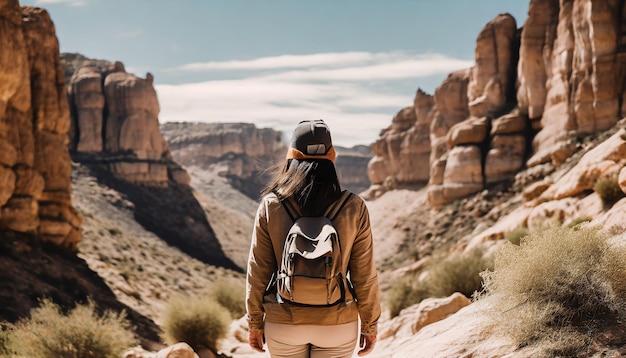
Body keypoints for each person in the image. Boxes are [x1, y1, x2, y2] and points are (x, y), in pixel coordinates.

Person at [246, 119, 381, 358]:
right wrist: (369, 325)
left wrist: (255, 321)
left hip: (284, 321)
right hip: (338, 323)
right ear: (331, 158)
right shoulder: (353, 206)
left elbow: (258, 270)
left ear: (291, 157)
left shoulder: (272, 205)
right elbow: (364, 273)